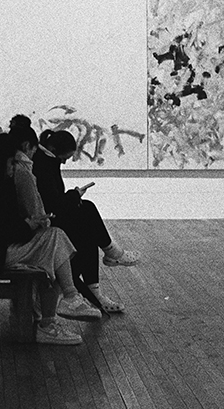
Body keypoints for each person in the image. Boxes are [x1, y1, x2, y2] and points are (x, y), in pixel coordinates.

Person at [0, 127, 100, 346]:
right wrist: (28, 225)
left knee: (54, 242)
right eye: (12, 163)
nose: (13, 169)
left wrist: (26, 225)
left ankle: (66, 303)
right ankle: (59, 310)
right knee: (54, 243)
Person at [32, 127, 141, 314]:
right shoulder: (46, 164)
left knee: (88, 227)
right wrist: (74, 196)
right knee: (87, 211)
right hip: (47, 222)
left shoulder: (48, 160)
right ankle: (111, 254)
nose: (65, 161)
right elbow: (52, 203)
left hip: (49, 217)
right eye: (64, 157)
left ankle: (105, 267)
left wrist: (72, 196)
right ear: (54, 150)